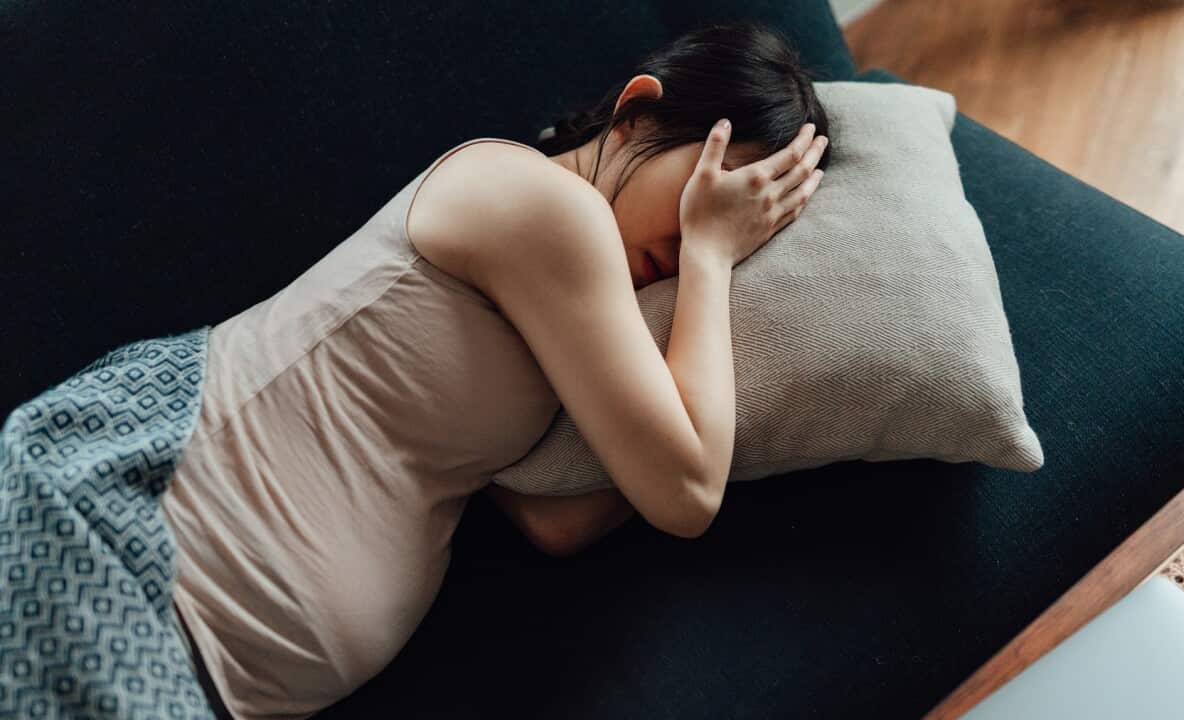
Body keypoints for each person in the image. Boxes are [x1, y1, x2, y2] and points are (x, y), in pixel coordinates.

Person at [160, 20, 832, 719]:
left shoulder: (577, 302)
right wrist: (713, 254)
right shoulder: (545, 204)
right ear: (636, 114)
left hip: (212, 669)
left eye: (735, 216)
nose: (698, 220)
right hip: (163, 558)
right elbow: (687, 493)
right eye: (705, 189)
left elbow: (555, 521)